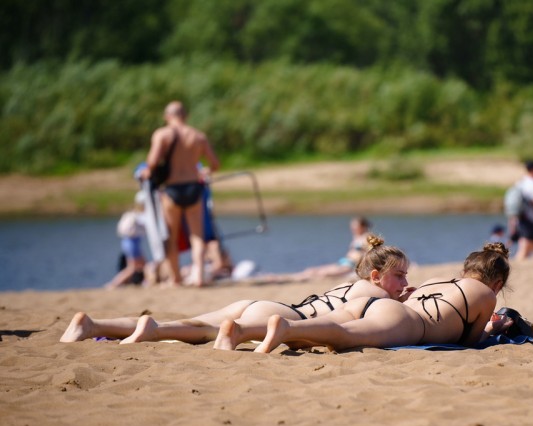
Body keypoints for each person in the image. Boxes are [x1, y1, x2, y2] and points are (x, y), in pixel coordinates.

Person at [60, 235, 412, 347]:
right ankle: (152, 330)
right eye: (399, 276)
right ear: (376, 276)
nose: (404, 284)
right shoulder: (376, 294)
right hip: (283, 315)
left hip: (264, 303)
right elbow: (351, 327)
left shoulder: (349, 284)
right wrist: (405, 304)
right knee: (204, 332)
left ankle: (93, 325)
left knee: (193, 323)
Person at [253, 242, 513, 354]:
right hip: (404, 320)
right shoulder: (485, 295)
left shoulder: (437, 280)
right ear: (498, 284)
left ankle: (288, 331)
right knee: (343, 336)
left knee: (327, 327)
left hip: (375, 304)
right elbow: (469, 342)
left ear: (465, 270)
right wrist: (492, 328)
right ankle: (287, 327)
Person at [140, 101, 220, 287]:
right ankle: (198, 275)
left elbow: (152, 161)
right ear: (186, 116)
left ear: (167, 116)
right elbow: (215, 164)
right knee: (197, 236)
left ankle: (176, 278)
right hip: (193, 187)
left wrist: (148, 172)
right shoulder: (198, 136)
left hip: (172, 189)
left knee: (172, 235)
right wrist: (205, 171)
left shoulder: (162, 134)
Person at [252, 217, 373, 283]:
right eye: (352, 226)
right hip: (343, 262)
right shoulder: (356, 237)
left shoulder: (366, 237)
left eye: (355, 226)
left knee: (322, 274)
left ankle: (285, 279)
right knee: (312, 270)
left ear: (362, 226)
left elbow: (371, 253)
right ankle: (283, 278)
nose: (352, 228)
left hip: (350, 266)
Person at [105, 192, 147, 289]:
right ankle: (114, 284)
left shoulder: (131, 213)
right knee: (133, 267)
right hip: (133, 243)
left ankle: (141, 282)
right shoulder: (139, 215)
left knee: (140, 265)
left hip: (127, 242)